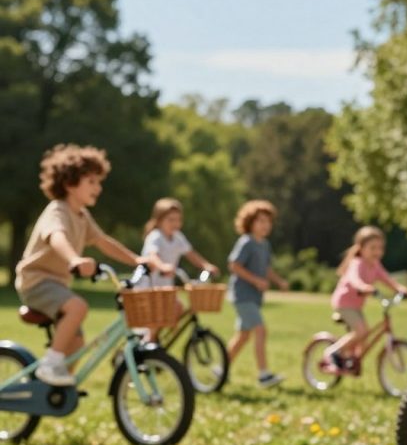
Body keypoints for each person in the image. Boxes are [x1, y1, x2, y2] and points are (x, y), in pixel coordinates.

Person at [15, 143, 171, 387]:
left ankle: (53, 388)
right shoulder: (58, 211)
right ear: (69, 184)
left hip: (57, 285)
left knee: (77, 342)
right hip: (36, 281)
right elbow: (57, 237)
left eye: (99, 182)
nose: (98, 188)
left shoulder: (82, 215)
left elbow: (103, 242)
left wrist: (137, 260)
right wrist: (74, 260)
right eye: (91, 182)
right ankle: (49, 365)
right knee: (78, 307)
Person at [325, 226, 407, 372]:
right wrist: (363, 287)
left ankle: (351, 360)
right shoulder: (356, 263)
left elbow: (386, 279)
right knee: (361, 332)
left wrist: (399, 289)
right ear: (361, 248)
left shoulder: (375, 265)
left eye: (380, 248)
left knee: (365, 336)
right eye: (372, 248)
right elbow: (353, 279)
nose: (377, 252)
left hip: (356, 306)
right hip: (344, 303)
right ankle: (333, 352)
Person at [227, 200, 288, 388]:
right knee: (260, 330)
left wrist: (278, 281)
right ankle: (264, 375)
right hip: (242, 295)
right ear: (249, 222)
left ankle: (221, 369)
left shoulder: (264, 245)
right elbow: (234, 265)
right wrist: (255, 280)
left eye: (268, 221)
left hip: (254, 297)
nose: (265, 225)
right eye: (260, 221)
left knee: (243, 336)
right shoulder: (246, 242)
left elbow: (266, 268)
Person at [139, 198, 219, 335]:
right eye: (171, 220)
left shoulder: (177, 237)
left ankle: (154, 340)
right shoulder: (155, 236)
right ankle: (150, 343)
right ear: (159, 220)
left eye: (178, 220)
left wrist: (206, 265)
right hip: (150, 285)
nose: (175, 223)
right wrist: (162, 266)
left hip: (166, 286)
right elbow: (152, 255)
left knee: (177, 308)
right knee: (158, 317)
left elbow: (191, 254)